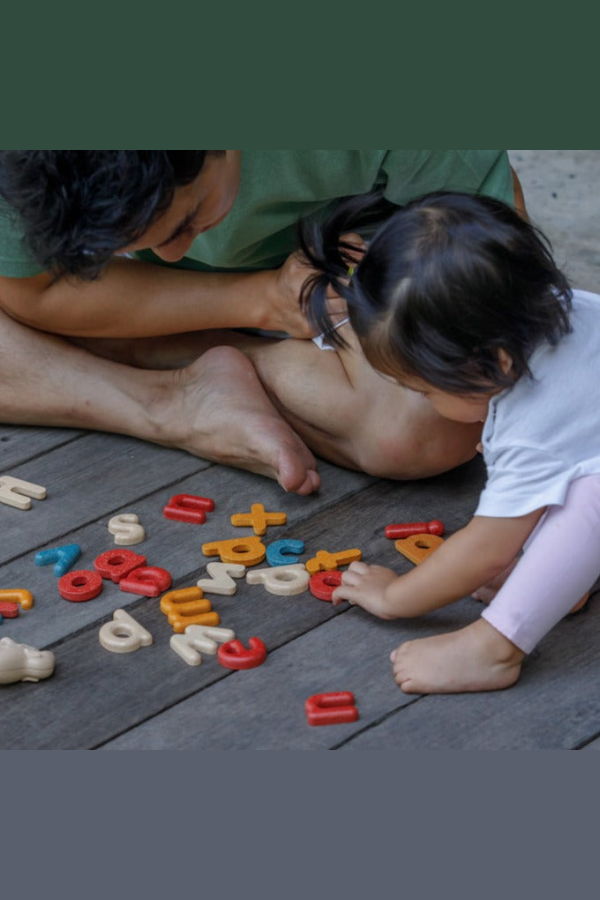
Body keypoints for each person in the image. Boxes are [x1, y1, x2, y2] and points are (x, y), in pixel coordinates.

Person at [0, 150, 521, 494]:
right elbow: (37, 290)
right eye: (117, 245)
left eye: (185, 221)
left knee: (427, 423)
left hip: (352, 280)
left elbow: (491, 256)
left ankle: (165, 353)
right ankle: (169, 404)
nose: (175, 254)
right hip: (223, 303)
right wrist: (258, 299)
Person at [297, 190, 600, 693]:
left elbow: (484, 550)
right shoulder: (570, 308)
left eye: (424, 390)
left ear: (497, 362)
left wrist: (396, 596)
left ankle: (494, 648)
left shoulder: (533, 430)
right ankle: (564, 580)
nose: (424, 403)